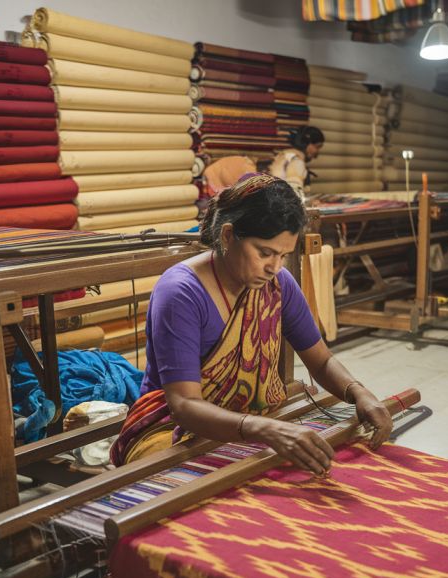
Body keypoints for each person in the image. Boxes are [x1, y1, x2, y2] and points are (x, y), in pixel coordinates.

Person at [111, 174, 392, 472]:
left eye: (283, 255)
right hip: (173, 432)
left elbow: (320, 362)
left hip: (250, 421)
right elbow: (184, 406)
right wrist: (265, 430)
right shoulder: (181, 292)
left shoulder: (279, 284)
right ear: (229, 236)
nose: (274, 267)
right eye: (265, 252)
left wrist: (359, 393)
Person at [269, 126, 324, 199]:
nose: (317, 152)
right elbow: (294, 194)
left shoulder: (285, 155)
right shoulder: (296, 161)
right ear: (306, 143)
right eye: (317, 147)